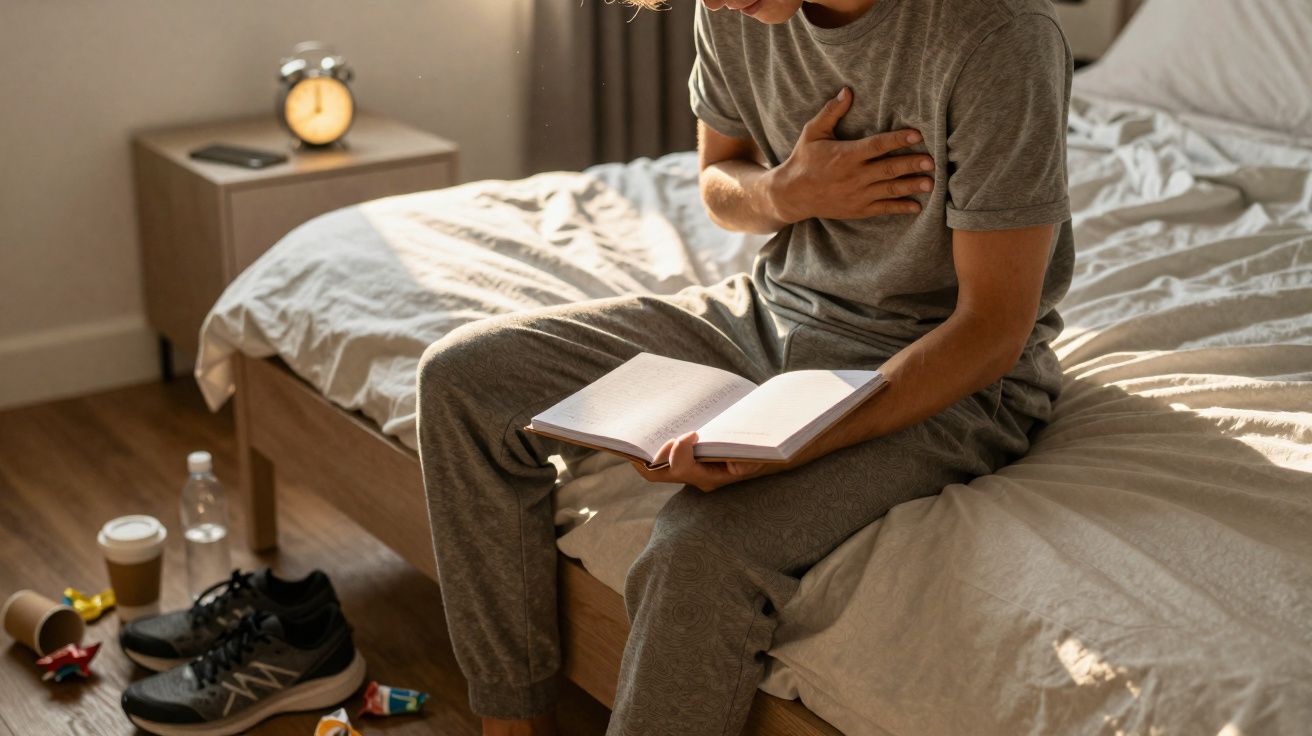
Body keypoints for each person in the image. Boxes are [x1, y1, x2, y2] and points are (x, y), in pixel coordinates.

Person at [416, 0, 1074, 733]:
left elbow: (992, 330)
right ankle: (512, 719)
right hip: (771, 313)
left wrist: (801, 441)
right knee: (462, 376)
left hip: (946, 371)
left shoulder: (996, 32)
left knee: (694, 555)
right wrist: (786, 191)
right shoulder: (730, 6)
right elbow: (719, 181)